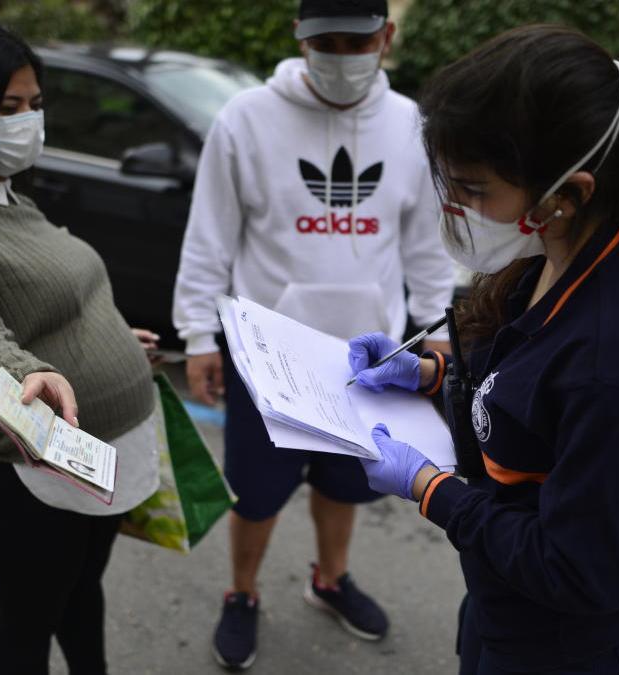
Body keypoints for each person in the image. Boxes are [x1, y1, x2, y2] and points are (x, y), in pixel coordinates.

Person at [346, 26, 619, 674]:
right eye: (447, 181)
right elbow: (530, 390)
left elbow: (578, 567)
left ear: (568, 194)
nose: (453, 205)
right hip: (507, 611)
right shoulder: (556, 259)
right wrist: (433, 374)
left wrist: (431, 489)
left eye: (474, 188)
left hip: (570, 649)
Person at [172, 0, 455, 669]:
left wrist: (435, 327)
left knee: (345, 486)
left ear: (387, 37)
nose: (339, 56)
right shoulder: (246, 120)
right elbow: (209, 236)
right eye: (323, 41)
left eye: (356, 42)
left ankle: (329, 579)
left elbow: (426, 242)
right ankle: (241, 593)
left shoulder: (410, 125)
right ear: (299, 40)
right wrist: (198, 335)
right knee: (257, 491)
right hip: (268, 360)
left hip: (367, 362)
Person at [0, 20, 164, 675]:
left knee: (79, 594)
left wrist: (115, 342)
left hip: (89, 464)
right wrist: (24, 372)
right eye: (7, 107)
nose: (28, 121)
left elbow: (50, 306)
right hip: (17, 478)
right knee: (28, 619)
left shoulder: (11, 199)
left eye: (35, 104)